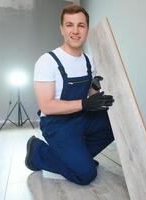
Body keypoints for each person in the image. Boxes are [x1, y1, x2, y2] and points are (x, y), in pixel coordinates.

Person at [25, 3, 115, 185]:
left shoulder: (89, 60)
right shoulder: (47, 61)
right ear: (61, 29)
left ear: (87, 29)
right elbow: (46, 106)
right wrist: (84, 104)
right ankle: (37, 152)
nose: (75, 31)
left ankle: (78, 160)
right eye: (69, 25)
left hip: (82, 118)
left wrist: (94, 89)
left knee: (115, 125)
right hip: (58, 124)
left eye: (81, 25)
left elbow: (88, 93)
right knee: (85, 175)